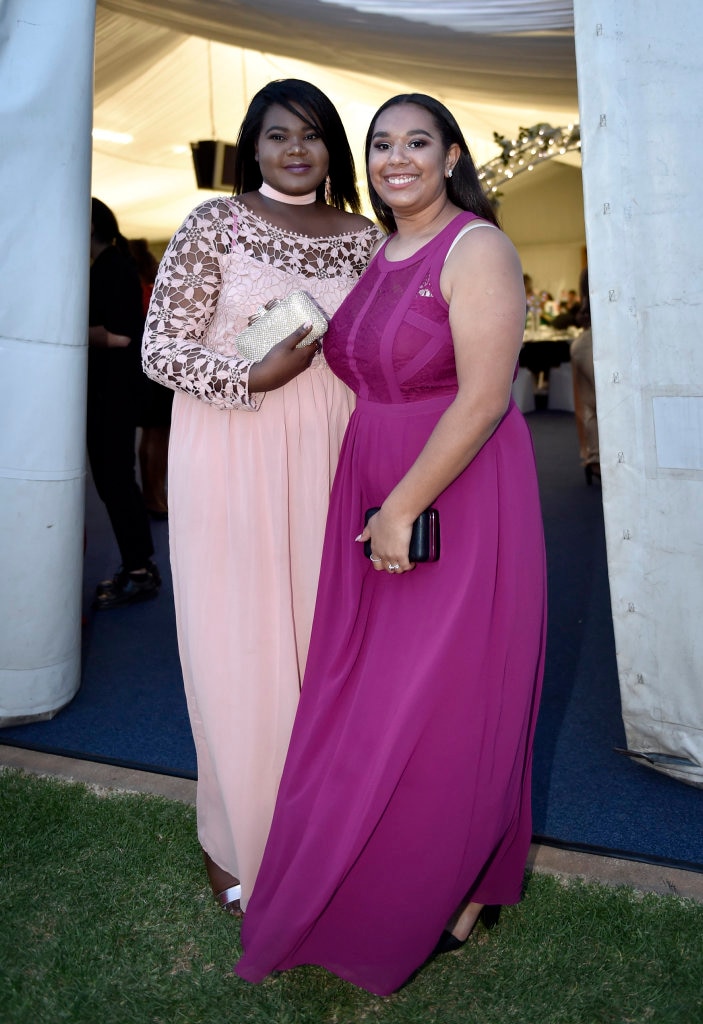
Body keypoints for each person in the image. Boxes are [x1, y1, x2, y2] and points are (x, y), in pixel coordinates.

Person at [236, 93, 547, 996]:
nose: (396, 157)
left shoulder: (477, 247)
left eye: (417, 142)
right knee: (368, 690)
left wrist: (404, 506)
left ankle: (456, 889)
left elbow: (484, 397)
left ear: (451, 156)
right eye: (381, 143)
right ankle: (378, 862)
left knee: (442, 695)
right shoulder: (379, 253)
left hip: (453, 491)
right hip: (372, 484)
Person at [141, 79, 383, 915]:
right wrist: (252, 374)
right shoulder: (215, 223)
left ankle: (329, 830)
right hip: (228, 444)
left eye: (312, 135)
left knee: (326, 644)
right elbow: (159, 350)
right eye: (278, 134)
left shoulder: (364, 238)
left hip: (334, 451)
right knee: (235, 645)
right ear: (252, 144)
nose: (294, 149)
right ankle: (236, 834)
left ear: (331, 149)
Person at [88, 199, 160, 609]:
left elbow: (121, 336)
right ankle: (139, 565)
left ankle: (138, 569)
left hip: (113, 393)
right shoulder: (108, 265)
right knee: (114, 481)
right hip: (109, 392)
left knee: (115, 480)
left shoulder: (113, 267)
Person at [129, 238, 172, 519]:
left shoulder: (142, 284)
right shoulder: (148, 287)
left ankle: (153, 493)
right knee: (157, 434)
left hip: (145, 368)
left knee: (151, 435)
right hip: (154, 370)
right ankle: (154, 496)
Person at [570, 268, 599, 482]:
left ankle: (592, 455)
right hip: (598, 339)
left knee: (588, 402)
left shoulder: (588, 272)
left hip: (585, 341)